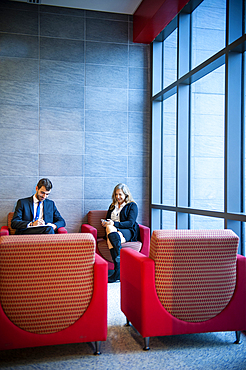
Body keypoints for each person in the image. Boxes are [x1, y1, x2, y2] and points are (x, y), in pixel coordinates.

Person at [102, 183, 139, 283]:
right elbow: (108, 219)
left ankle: (117, 271)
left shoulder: (132, 205)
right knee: (110, 229)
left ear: (126, 195)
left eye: (120, 194)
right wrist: (105, 223)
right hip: (113, 231)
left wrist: (113, 223)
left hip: (127, 230)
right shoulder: (112, 206)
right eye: (116, 194)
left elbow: (130, 223)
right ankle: (118, 268)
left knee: (111, 237)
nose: (118, 197)